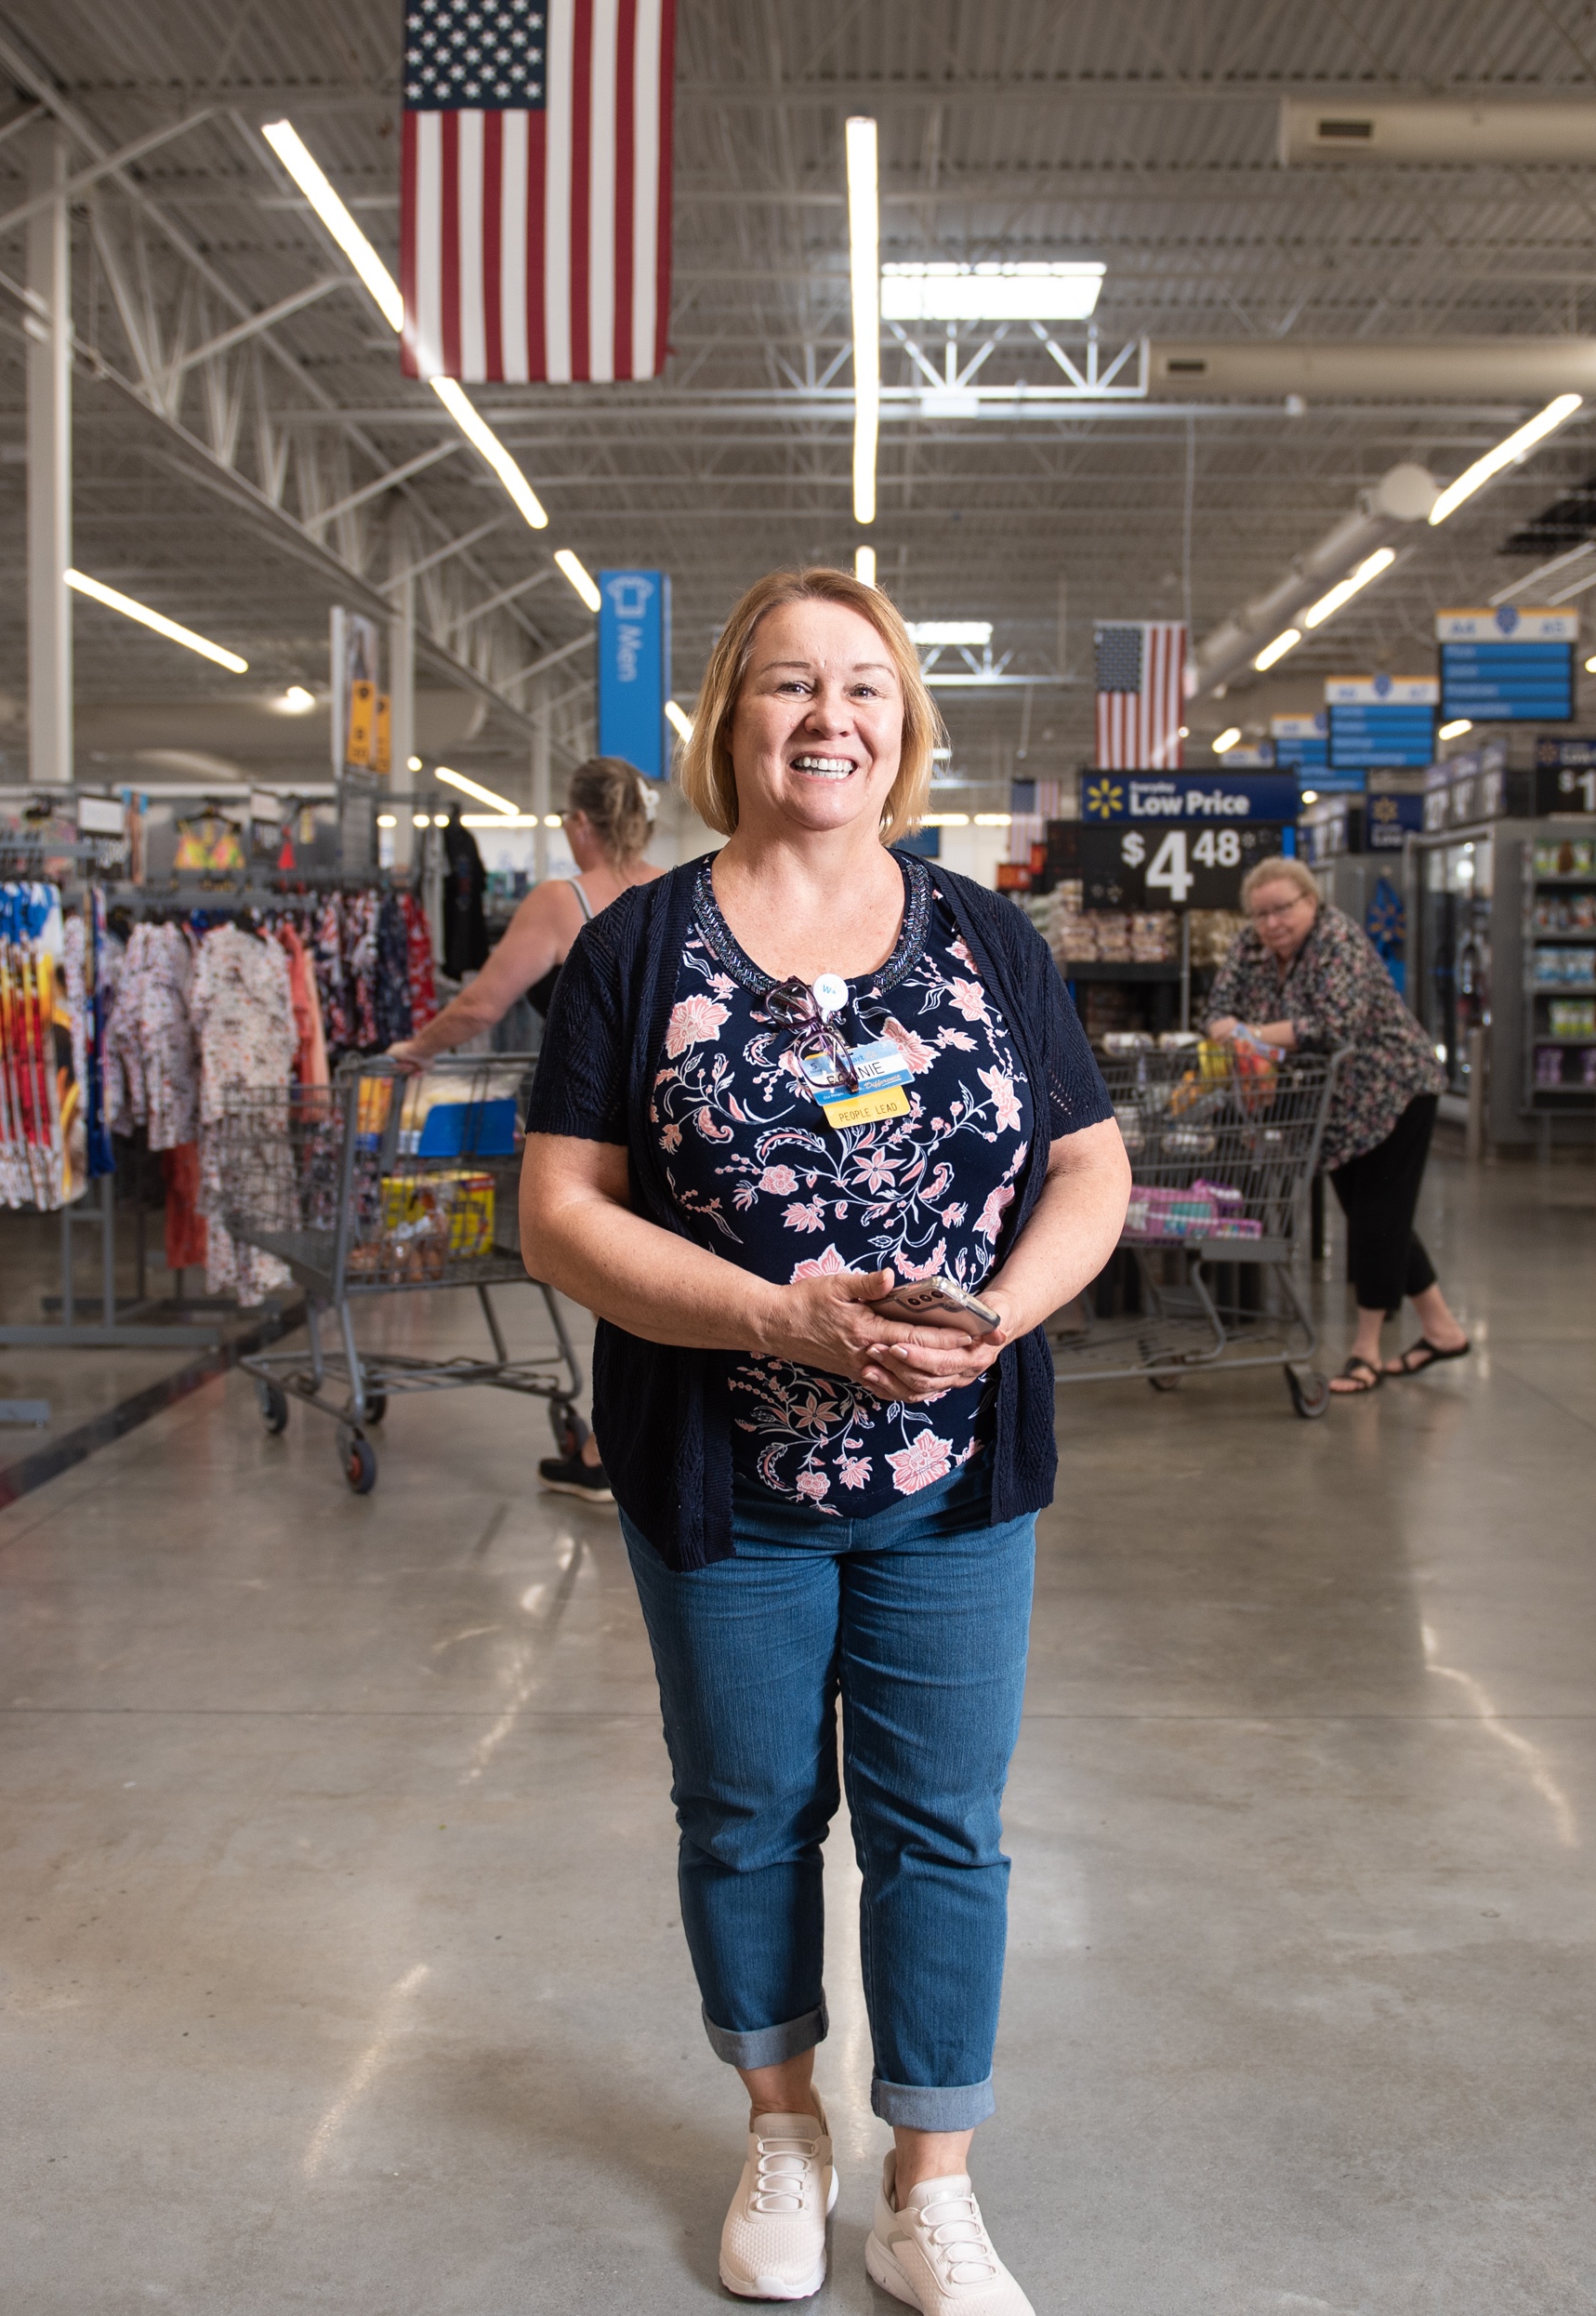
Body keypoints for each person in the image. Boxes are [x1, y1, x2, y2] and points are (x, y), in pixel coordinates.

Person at [524, 567, 1129, 2315]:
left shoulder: (989, 936)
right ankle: (782, 2127)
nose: (828, 718)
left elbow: (1089, 1168)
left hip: (953, 1488)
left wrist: (997, 1318)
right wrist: (784, 1317)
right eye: (788, 686)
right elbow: (560, 1213)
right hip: (729, 1490)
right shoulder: (637, 947)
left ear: (904, 725)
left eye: (862, 686)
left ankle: (930, 2183)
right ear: (729, 719)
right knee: (746, 1815)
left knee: (945, 1825)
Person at [393, 759, 670, 1504]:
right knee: (666, 1279)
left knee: (619, 1284)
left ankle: (613, 1452)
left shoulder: (562, 900)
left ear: (580, 824)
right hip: (678, 1114)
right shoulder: (674, 885)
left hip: (599, 1121)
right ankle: (620, 1446)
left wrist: (415, 1049)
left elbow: (484, 1003)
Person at [1203, 853, 1468, 1394]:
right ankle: (1442, 1330)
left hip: (1394, 1089)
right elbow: (1215, 1012)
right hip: (1331, 1104)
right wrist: (1241, 1029)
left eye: (1284, 908)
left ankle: (1367, 1351)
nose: (1272, 922)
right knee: (1379, 1216)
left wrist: (1246, 1032)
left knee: (1376, 1218)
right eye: (1261, 913)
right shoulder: (1250, 948)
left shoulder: (1338, 941)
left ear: (1312, 901)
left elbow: (1332, 1024)